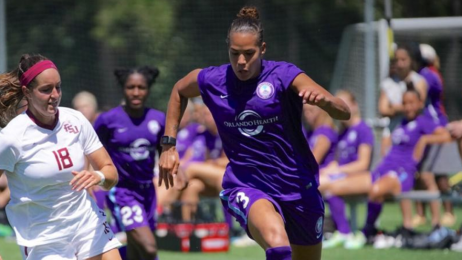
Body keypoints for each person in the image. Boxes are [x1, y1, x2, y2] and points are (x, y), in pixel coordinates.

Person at [159, 6, 351, 260]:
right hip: (247, 185)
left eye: (248, 54)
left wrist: (326, 103)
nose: (241, 61)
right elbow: (179, 91)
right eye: (234, 53)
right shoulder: (213, 80)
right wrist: (169, 145)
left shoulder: (283, 75)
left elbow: (343, 112)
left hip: (297, 186)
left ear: (262, 49)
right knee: (279, 246)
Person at [0, 54, 122, 260]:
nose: (55, 95)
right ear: (27, 92)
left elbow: (111, 173)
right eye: (46, 89)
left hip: (87, 225)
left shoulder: (76, 120)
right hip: (44, 239)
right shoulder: (13, 137)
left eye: (58, 87)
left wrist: (99, 177)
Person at [345, 89, 450, 249]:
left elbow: (446, 135)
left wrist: (424, 139)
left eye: (411, 103)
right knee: (338, 185)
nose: (408, 107)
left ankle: (367, 232)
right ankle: (347, 230)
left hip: (402, 174)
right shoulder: (400, 123)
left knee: (375, 190)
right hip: (383, 170)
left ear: (420, 104)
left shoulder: (423, 122)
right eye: (404, 103)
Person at [94, 66, 164, 260]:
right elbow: (89, 147)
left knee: (136, 251)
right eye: (130, 87)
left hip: (148, 192)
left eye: (141, 87)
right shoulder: (108, 120)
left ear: (148, 89)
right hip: (122, 191)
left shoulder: (158, 119)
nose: (136, 92)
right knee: (149, 249)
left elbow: (165, 151)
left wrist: (178, 169)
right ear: (123, 89)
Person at [319, 90, 374, 249]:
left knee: (325, 185)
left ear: (355, 105)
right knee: (316, 180)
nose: (339, 107)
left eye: (343, 103)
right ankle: (341, 230)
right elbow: (338, 161)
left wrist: (338, 171)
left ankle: (344, 231)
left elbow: (363, 164)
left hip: (360, 177)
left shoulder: (363, 129)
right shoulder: (342, 132)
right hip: (343, 176)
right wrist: (331, 168)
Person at [413, 43, 455, 227]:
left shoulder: (427, 75)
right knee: (419, 173)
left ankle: (448, 211)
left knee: (440, 174)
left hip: (436, 126)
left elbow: (419, 99)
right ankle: (422, 214)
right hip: (426, 126)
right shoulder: (427, 74)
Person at [304, 104, 337, 169]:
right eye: (305, 111)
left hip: (322, 175)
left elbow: (313, 161)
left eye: (311, 110)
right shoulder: (311, 132)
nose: (306, 114)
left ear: (320, 110)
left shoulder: (325, 132)